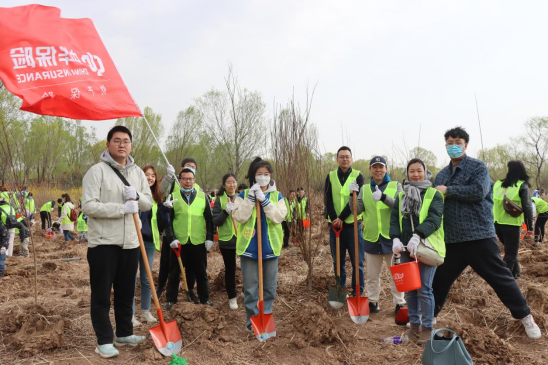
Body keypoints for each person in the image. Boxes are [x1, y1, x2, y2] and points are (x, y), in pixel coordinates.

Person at [432, 126, 541, 340]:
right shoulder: (442, 174)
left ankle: (526, 317)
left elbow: (478, 192)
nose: (453, 146)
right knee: (439, 281)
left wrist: (448, 191)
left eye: (458, 143)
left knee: (501, 278)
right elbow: (435, 202)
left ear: (465, 145)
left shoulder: (478, 167)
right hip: (452, 239)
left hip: (478, 236)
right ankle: (429, 318)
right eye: (450, 143)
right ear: (445, 146)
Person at [82, 126, 153, 358]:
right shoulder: (96, 172)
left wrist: (138, 196)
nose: (122, 144)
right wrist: (121, 208)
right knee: (102, 294)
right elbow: (89, 206)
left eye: (126, 141)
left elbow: (148, 203)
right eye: (117, 140)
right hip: (104, 243)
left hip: (131, 242)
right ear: (108, 144)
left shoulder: (138, 174)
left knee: (125, 292)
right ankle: (104, 339)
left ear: (131, 145)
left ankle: (124, 333)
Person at [390, 158, 445, 344]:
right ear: (407, 174)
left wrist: (417, 235)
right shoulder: (401, 196)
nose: (415, 174)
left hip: (427, 247)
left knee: (424, 288)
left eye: (419, 170)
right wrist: (395, 238)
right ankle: (413, 325)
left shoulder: (433, 194)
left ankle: (427, 328)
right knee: (410, 288)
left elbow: (434, 219)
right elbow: (394, 220)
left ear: (425, 172)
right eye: (412, 171)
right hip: (406, 249)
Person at [233, 157, 287, 331]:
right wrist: (250, 199)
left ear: (270, 176)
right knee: (250, 289)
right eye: (259, 174)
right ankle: (252, 321)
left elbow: (279, 217)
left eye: (266, 174)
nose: (262, 177)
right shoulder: (242, 195)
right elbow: (240, 217)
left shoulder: (277, 196)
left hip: (270, 248)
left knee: (270, 288)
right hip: (249, 248)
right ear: (253, 176)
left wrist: (265, 201)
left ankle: (266, 317)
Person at [353, 156, 406, 314]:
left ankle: (399, 303)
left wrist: (383, 198)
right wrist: (352, 195)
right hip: (371, 237)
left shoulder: (396, 185)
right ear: (370, 170)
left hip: (392, 238)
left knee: (397, 274)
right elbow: (357, 210)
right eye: (374, 167)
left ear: (386, 169)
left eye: (381, 167)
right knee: (372, 276)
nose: (378, 170)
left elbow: (401, 206)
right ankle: (373, 302)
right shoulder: (365, 188)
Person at [165, 166, 214, 309]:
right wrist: (171, 238)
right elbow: (168, 221)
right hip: (179, 242)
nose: (188, 181)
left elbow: (209, 219)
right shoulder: (173, 197)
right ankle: (171, 300)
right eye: (185, 179)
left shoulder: (202, 196)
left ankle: (205, 299)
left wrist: (209, 238)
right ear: (179, 180)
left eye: (190, 179)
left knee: (201, 273)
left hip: (197, 242)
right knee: (174, 273)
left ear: (194, 180)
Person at [325, 146, 365, 297]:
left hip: (353, 225)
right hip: (335, 227)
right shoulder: (330, 176)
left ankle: (357, 292)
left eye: (347, 156)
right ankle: (340, 290)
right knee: (338, 262)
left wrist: (341, 218)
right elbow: (327, 199)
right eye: (342, 156)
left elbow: (357, 200)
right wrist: (335, 219)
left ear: (351, 159)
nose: (345, 159)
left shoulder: (358, 176)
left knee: (357, 262)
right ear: (337, 159)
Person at [132, 165, 169, 327]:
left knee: (146, 279)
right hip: (133, 240)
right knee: (131, 279)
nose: (150, 178)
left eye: (153, 175)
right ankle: (130, 314)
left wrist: (164, 211)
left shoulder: (157, 198)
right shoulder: (134, 194)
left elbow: (161, 224)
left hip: (149, 242)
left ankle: (146, 311)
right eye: (146, 175)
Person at [493, 161, 534, 279]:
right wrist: (530, 227)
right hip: (511, 225)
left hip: (497, 224)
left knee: (510, 249)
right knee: (511, 254)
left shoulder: (497, 184)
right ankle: (503, 279)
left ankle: (515, 274)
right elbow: (527, 207)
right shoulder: (522, 185)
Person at [212, 173, 239, 310]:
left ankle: (247, 292)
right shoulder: (220, 200)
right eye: (228, 182)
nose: (232, 185)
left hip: (242, 239)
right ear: (224, 185)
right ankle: (232, 297)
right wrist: (225, 211)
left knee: (247, 268)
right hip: (227, 240)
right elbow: (216, 221)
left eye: (234, 182)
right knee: (231, 269)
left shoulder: (242, 197)